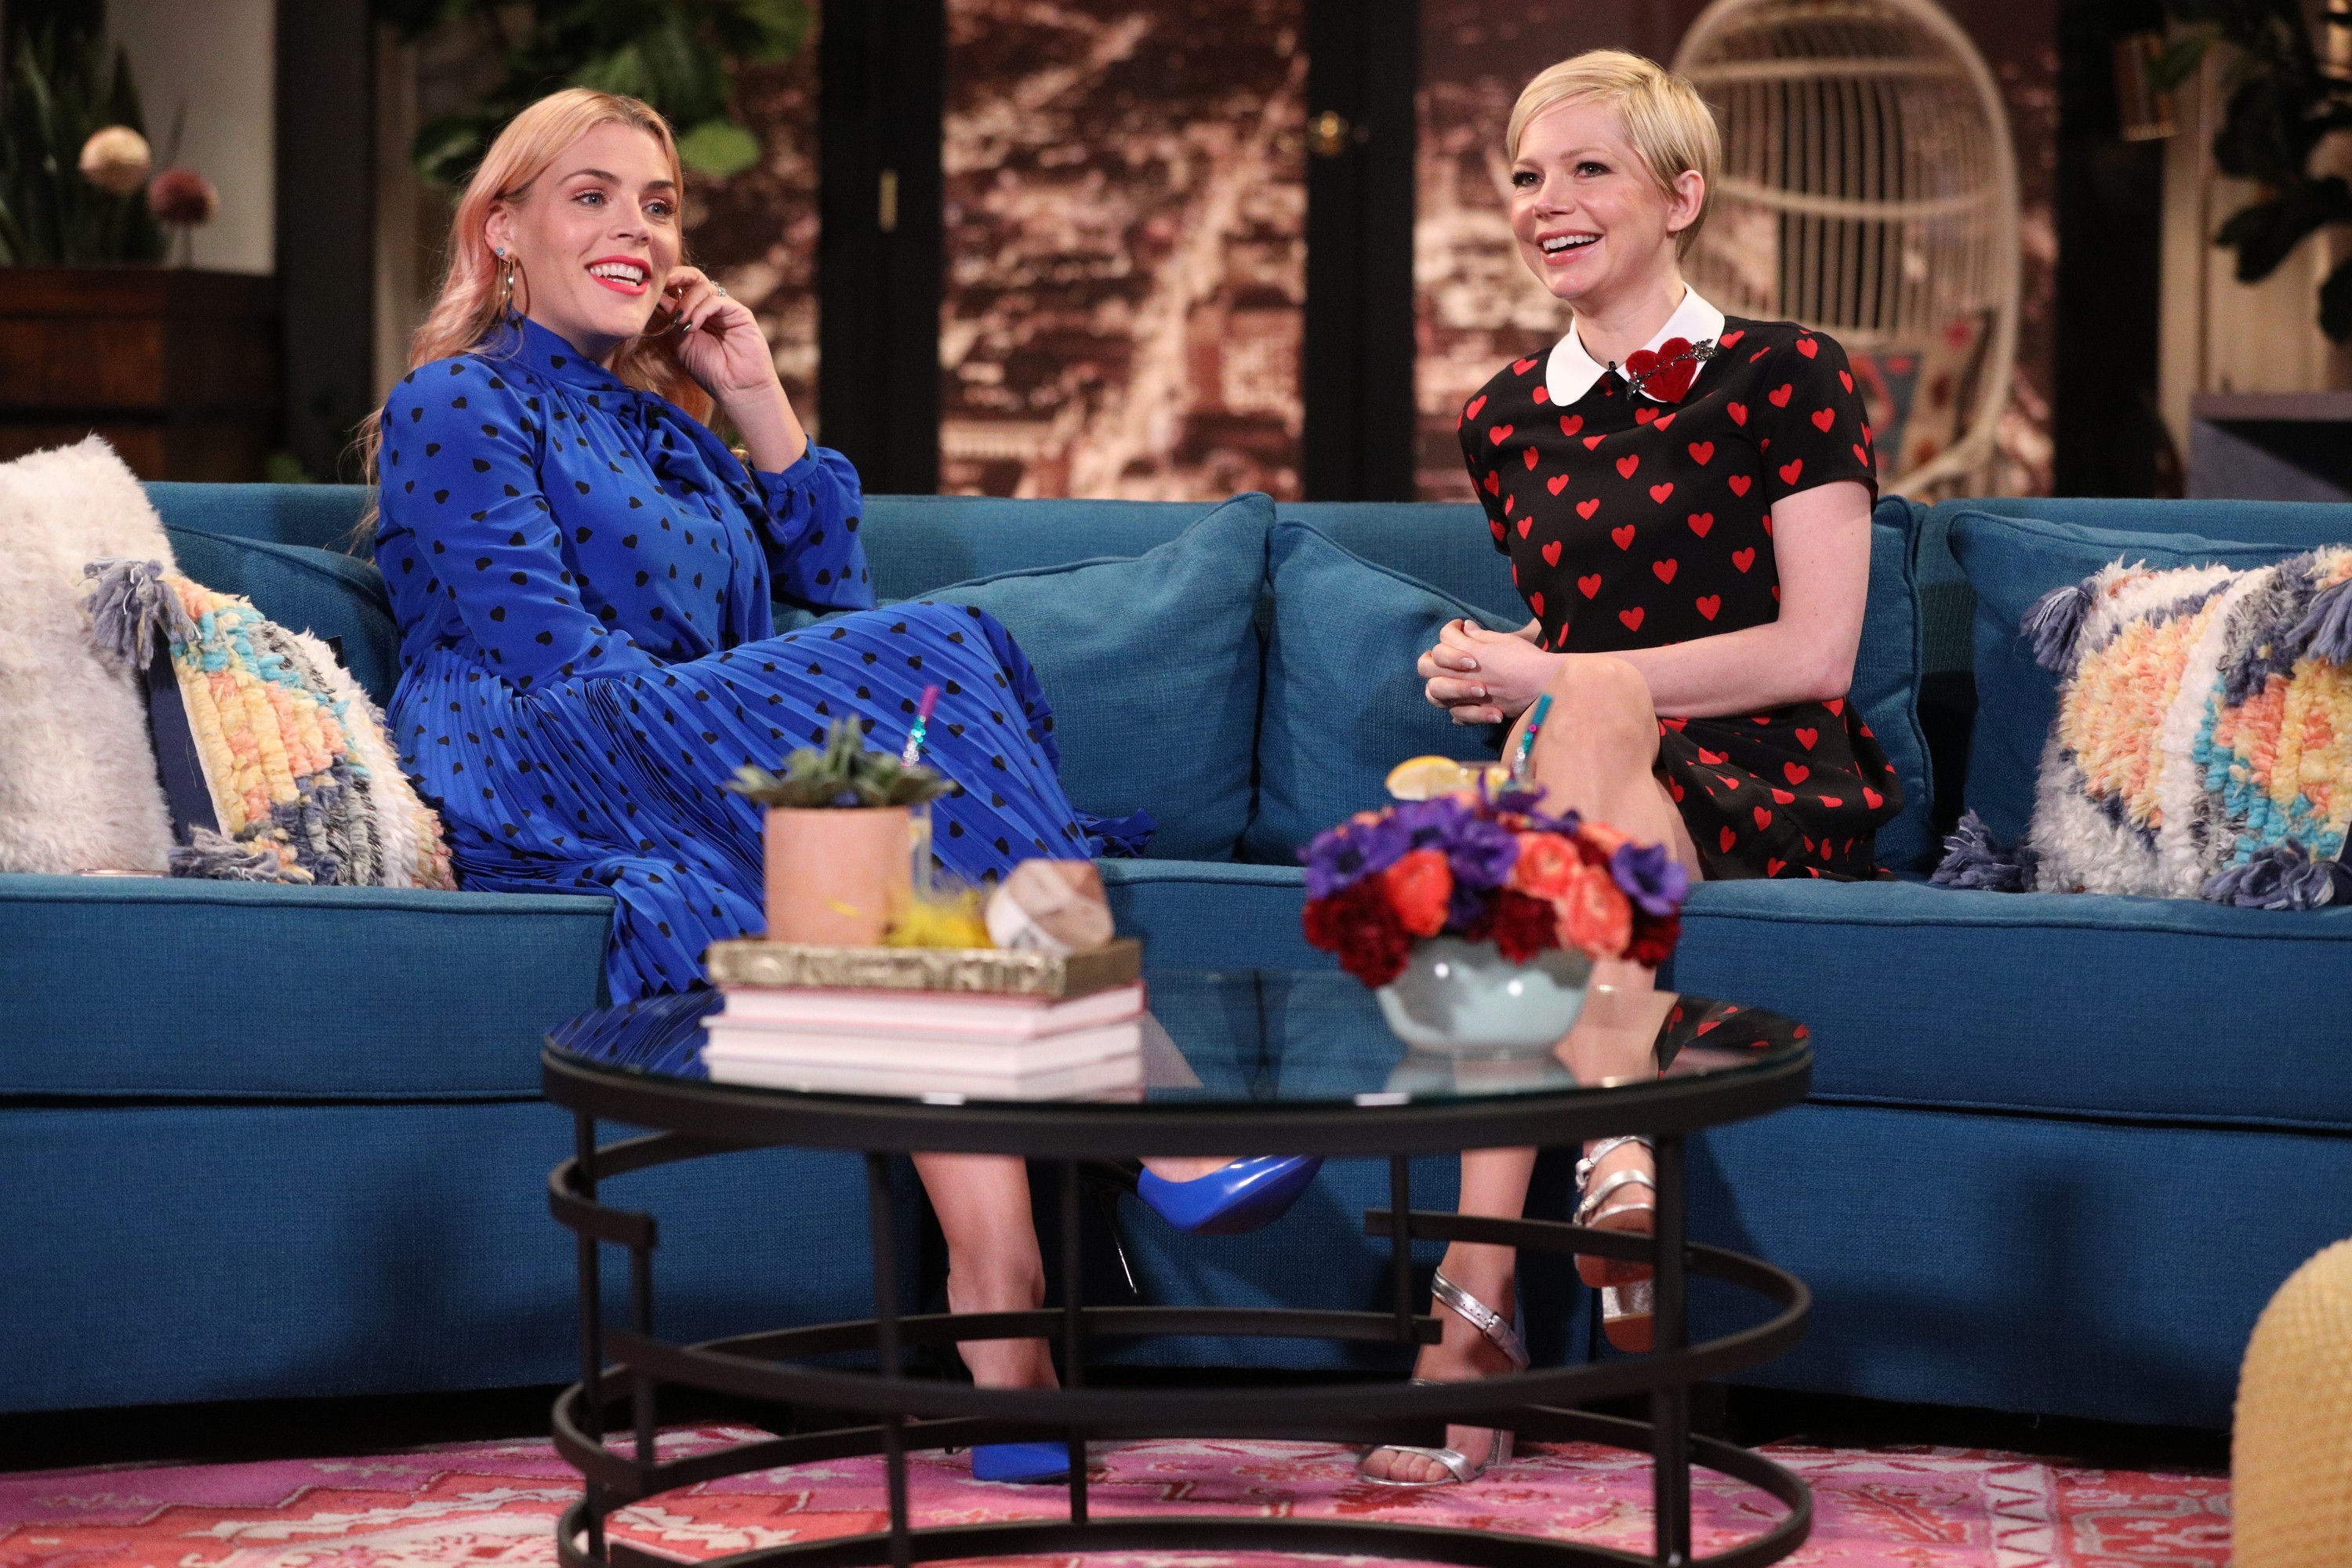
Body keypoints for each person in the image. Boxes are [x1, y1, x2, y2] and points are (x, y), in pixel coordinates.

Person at [364, 88, 1146, 1485]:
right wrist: (758, 732)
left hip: (675, 732)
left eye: (658, 204)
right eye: (592, 195)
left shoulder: (668, 429)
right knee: (935, 666)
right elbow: (540, 645)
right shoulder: (454, 399)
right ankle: (1132, 1114)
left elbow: (833, 596)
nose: (637, 227)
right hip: (543, 743)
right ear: (503, 232)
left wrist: (753, 395)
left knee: (891, 861)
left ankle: (1007, 1329)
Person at [1360, 50, 1900, 1487]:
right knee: (1536, 785)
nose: (1548, 201)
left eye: (1589, 169)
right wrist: (1491, 665)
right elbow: (1581, 635)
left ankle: (1469, 1330)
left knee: (1551, 754)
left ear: (1681, 195)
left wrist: (1551, 677)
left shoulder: (1790, 372)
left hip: (1769, 772)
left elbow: (1818, 652)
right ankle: (1609, 1168)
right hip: (1603, 777)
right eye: (1527, 176)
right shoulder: (1501, 418)